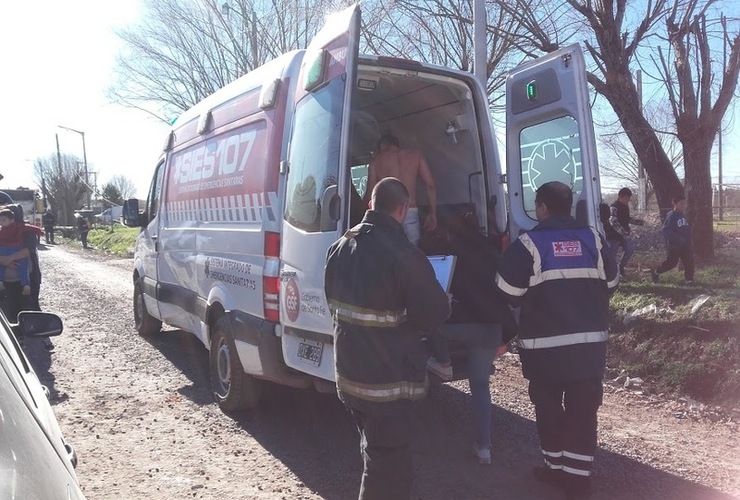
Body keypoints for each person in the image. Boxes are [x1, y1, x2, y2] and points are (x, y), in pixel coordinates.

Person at [324, 177, 451, 499]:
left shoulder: (340, 246)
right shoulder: (405, 255)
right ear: (404, 208)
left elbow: (333, 305)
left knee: (373, 451)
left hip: (350, 377)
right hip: (388, 386)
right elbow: (433, 314)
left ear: (370, 204)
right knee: (387, 470)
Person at [495, 181, 618, 500]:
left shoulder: (529, 244)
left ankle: (556, 469)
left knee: (548, 408)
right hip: (589, 348)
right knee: (584, 409)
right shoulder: (594, 239)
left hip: (545, 350)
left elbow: (507, 290)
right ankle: (577, 480)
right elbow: (613, 283)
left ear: (543, 208)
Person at [365, 133, 437, 245]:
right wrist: (432, 213)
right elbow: (430, 185)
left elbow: (371, 194)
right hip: (410, 210)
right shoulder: (415, 156)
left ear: (383, 145)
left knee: (390, 256)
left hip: (387, 215)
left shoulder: (376, 162)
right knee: (412, 255)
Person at [651, 194, 694, 285]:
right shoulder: (671, 216)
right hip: (674, 245)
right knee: (672, 263)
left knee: (689, 261)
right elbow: (665, 230)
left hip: (685, 244)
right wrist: (677, 238)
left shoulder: (683, 215)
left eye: (684, 203)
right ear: (674, 204)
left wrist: (688, 239)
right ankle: (656, 272)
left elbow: (686, 228)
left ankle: (689, 280)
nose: (683, 205)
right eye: (681, 203)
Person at [0, 208, 40, 296]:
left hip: (18, 276)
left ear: (12, 220)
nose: (1, 222)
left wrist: (8, 259)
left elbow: (29, 251)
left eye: (3, 220)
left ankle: (26, 284)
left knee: (23, 265)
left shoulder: (21, 228)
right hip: (11, 273)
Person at [606, 187, 643, 277]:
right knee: (611, 256)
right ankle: (610, 273)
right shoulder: (614, 207)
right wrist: (623, 232)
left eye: (629, 198)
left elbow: (626, 219)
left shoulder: (625, 206)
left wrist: (636, 221)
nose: (628, 200)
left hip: (624, 234)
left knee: (630, 249)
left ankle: (621, 267)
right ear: (620, 197)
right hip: (613, 235)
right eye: (626, 198)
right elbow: (613, 222)